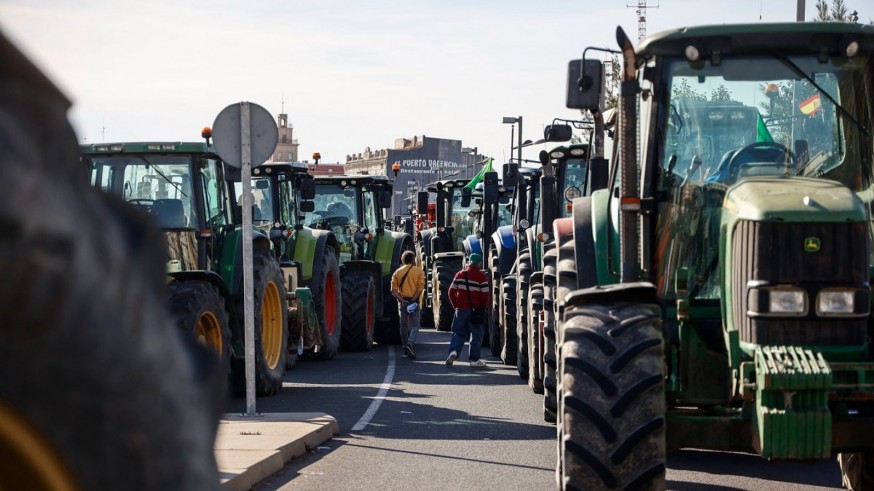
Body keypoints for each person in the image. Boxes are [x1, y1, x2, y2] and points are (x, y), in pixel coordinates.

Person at [446, 252, 490, 367]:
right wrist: (484, 308)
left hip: (460, 310)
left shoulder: (459, 274)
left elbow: (451, 291)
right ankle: (474, 360)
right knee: (476, 336)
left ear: (469, 262)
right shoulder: (481, 277)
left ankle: (453, 352)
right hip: (476, 311)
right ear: (479, 264)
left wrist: (455, 305)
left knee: (458, 333)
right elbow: (485, 295)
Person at [390, 250, 425, 359]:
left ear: (403, 260)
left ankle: (405, 348)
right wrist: (413, 300)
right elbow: (420, 288)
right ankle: (410, 343)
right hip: (413, 302)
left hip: (403, 302)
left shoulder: (397, 272)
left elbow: (393, 290)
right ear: (413, 259)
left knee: (403, 326)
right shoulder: (419, 271)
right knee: (415, 325)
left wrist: (401, 300)